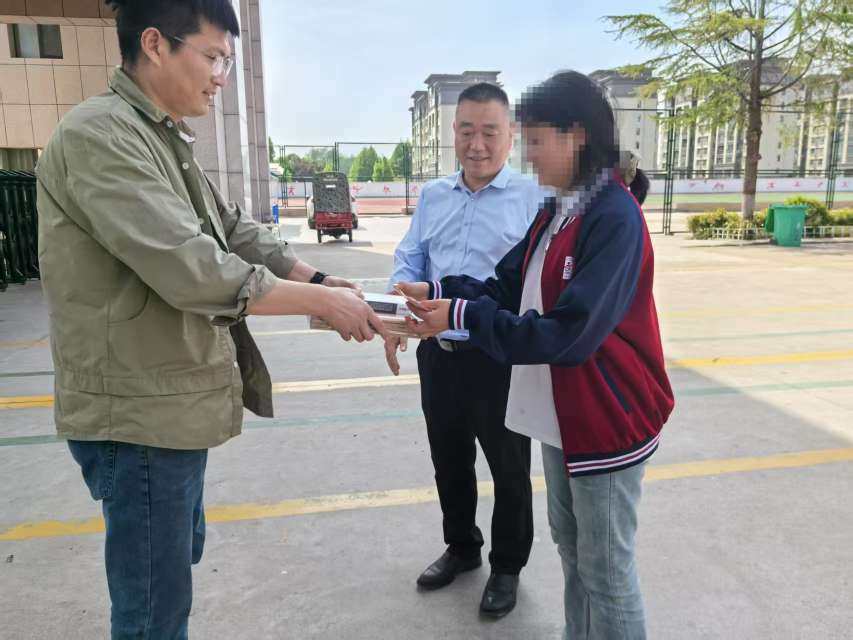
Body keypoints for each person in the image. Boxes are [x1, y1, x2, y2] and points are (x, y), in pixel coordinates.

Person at [36, 1, 385, 637]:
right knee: (153, 610)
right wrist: (322, 304)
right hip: (137, 416)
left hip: (168, 405)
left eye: (228, 60)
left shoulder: (161, 135)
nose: (222, 75)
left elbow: (230, 228)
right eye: (214, 56)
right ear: (154, 44)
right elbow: (194, 267)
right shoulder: (100, 136)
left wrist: (317, 279)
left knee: (170, 577)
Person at [399, 70, 675, 639]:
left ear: (576, 136)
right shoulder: (559, 209)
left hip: (606, 418)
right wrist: (442, 292)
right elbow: (505, 284)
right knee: (574, 552)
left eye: (535, 141)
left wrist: (460, 317)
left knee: (608, 574)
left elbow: (568, 333)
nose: (527, 156)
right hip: (562, 414)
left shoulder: (614, 217)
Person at [386, 83, 542, 617]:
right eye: (467, 131)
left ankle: (507, 566)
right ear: (453, 133)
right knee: (449, 458)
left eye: (489, 132)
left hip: (497, 356)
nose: (477, 145)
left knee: (508, 467)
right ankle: (462, 546)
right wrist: (395, 311)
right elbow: (410, 258)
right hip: (439, 353)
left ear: (510, 135)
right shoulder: (434, 196)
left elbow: (530, 286)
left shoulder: (533, 200)